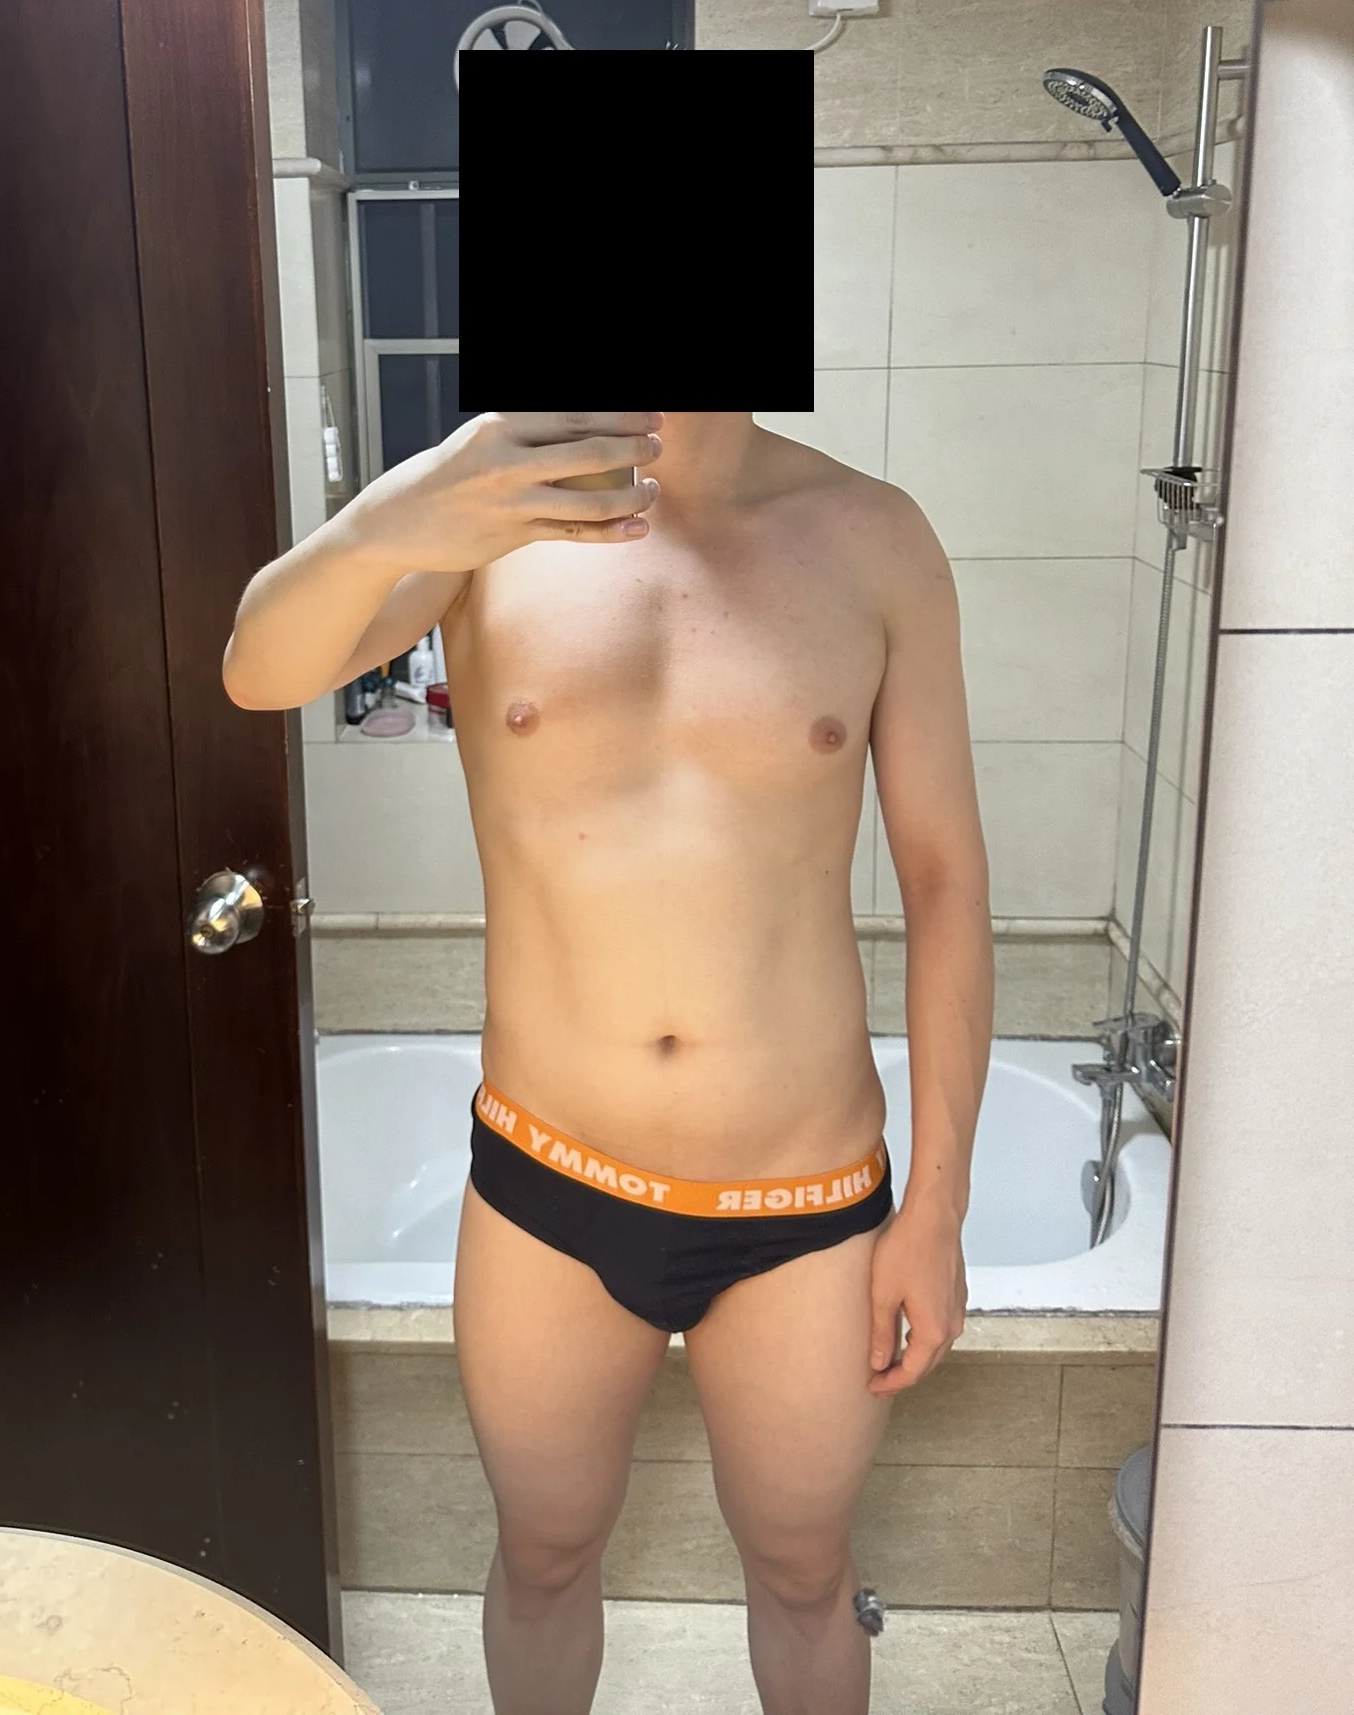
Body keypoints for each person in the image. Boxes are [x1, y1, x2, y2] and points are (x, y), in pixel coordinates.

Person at [224, 411, 994, 1715]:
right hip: (551, 1178)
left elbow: (945, 880)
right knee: (542, 1554)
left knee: (806, 1575)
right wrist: (401, 511)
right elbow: (257, 670)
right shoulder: (487, 515)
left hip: (804, 1198)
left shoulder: (876, 540)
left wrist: (939, 1206)